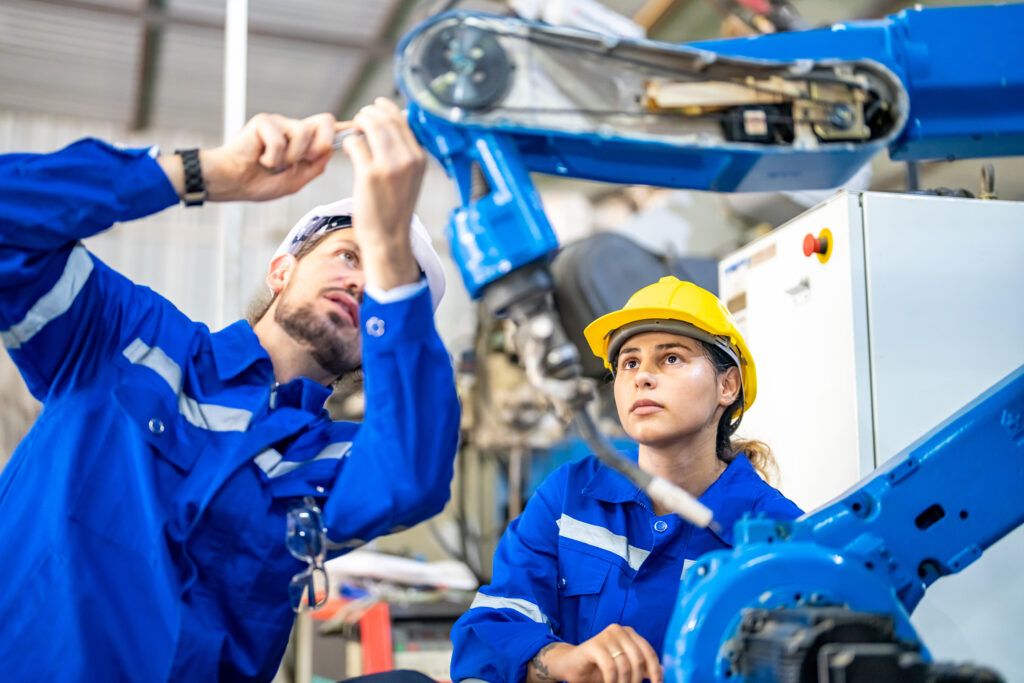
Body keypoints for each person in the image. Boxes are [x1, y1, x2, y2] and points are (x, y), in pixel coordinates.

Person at [0, 98, 460, 681]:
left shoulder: (335, 463)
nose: (363, 281)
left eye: (385, 278)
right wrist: (203, 173)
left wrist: (397, 252)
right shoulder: (124, 334)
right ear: (281, 270)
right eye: (349, 253)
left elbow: (413, 482)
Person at [449, 276, 803, 683]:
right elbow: (488, 631)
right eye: (629, 362)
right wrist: (565, 660)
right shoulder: (569, 496)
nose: (642, 377)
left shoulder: (776, 533)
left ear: (727, 385)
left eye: (671, 358)